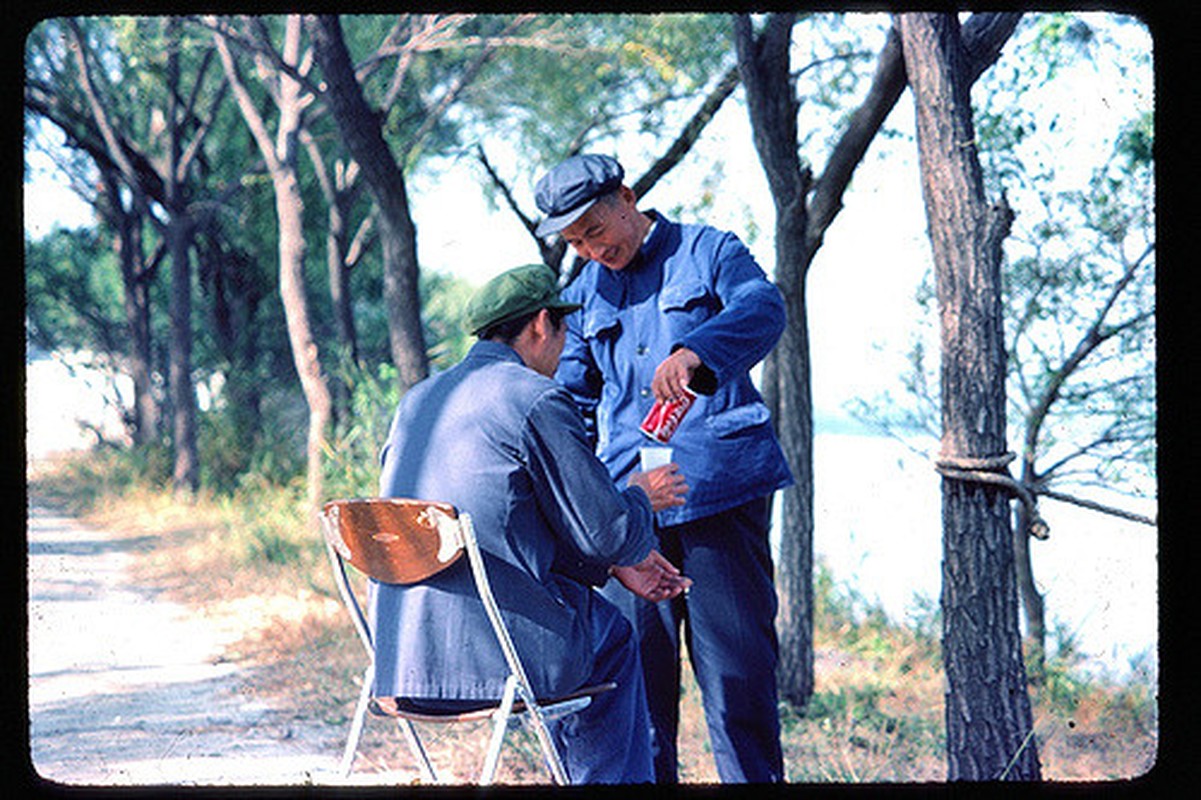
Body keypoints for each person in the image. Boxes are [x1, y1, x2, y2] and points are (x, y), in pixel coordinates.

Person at [372, 263, 691, 784]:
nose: (565, 350)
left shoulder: (418, 401)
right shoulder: (534, 396)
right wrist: (639, 496)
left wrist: (612, 570)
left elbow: (494, 528)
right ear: (543, 324)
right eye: (564, 331)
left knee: (584, 613)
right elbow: (605, 530)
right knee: (611, 635)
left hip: (400, 658)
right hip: (491, 661)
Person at [534, 153, 795, 783]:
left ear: (626, 197)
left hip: (719, 495)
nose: (592, 250)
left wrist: (698, 351)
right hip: (630, 517)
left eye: (595, 231)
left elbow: (764, 307)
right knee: (637, 703)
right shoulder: (582, 295)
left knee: (738, 689)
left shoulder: (710, 251)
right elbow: (569, 402)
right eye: (574, 242)